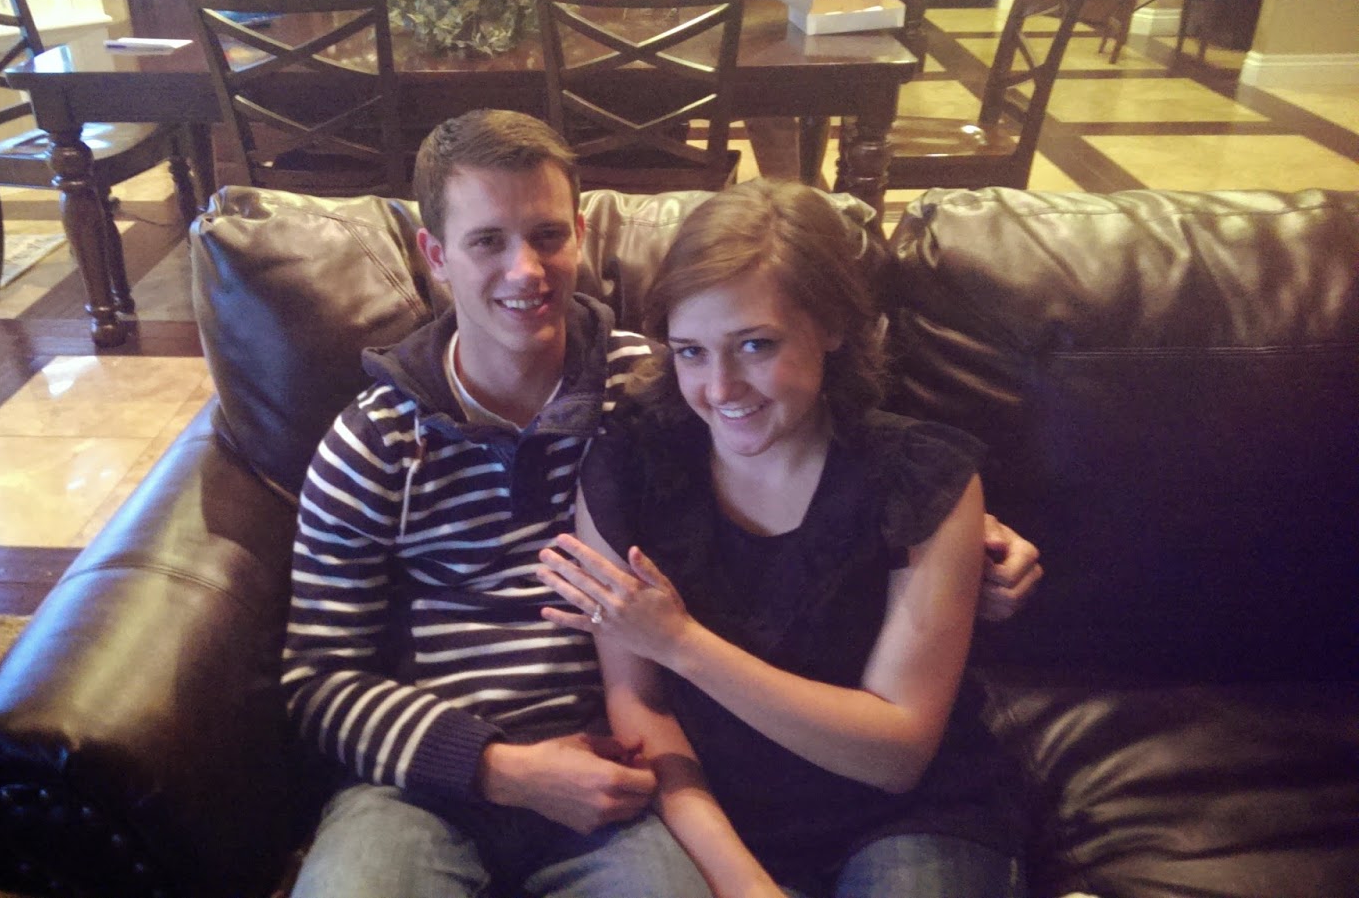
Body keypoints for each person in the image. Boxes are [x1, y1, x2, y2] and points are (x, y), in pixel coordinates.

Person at [282, 110, 1037, 897]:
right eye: (487, 241)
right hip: (423, 785)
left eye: (547, 235)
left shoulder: (650, 386)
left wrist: (962, 538)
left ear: (581, 234)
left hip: (618, 771)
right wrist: (494, 768)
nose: (525, 270)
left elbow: (817, 451)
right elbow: (318, 678)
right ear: (435, 256)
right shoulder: (373, 442)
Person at [536, 178, 1027, 897]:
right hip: (717, 817)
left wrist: (682, 642)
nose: (720, 388)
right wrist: (745, 885)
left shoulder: (920, 476)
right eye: (691, 351)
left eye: (755, 345)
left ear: (832, 326)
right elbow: (641, 705)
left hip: (911, 817)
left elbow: (896, 756)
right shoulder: (626, 465)